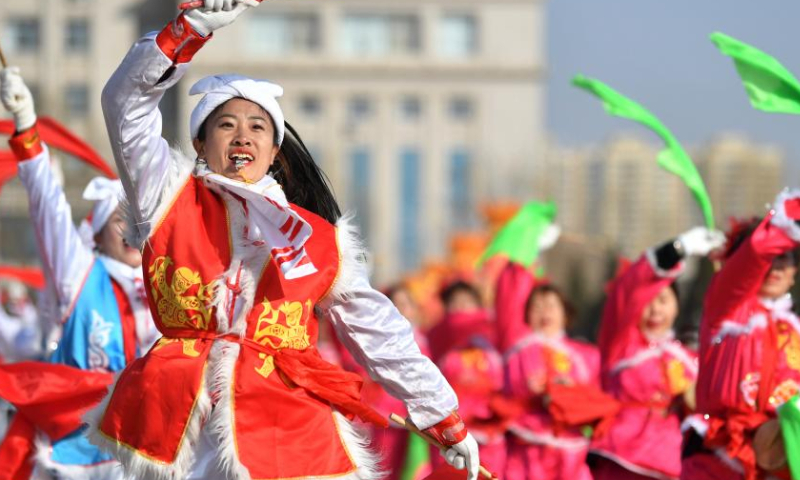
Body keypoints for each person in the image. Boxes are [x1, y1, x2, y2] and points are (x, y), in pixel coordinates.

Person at [86, 1, 480, 479]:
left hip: (285, 424)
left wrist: (443, 414)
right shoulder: (166, 195)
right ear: (199, 142)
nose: (241, 136)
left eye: (257, 127)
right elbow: (124, 106)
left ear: (274, 151)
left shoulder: (318, 240)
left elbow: (377, 330)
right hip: (178, 420)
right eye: (226, 124)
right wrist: (185, 32)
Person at [0, 65, 159, 478]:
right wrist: (27, 129)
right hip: (81, 457)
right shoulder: (80, 275)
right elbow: (48, 210)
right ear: (99, 233)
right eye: (118, 220)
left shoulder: (170, 287)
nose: (130, 230)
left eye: (137, 219)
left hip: (155, 454)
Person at [589, 227, 725, 480]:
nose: (654, 310)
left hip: (674, 459)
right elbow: (629, 289)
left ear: (676, 306)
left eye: (663, 300)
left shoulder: (689, 358)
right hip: (622, 457)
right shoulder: (621, 345)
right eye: (647, 303)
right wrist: (677, 249)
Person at [682, 190, 800, 480]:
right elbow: (754, 255)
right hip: (719, 455)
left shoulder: (795, 328)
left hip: (777, 457)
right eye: (771, 257)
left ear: (795, 271)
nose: (777, 266)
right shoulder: (726, 307)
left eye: (786, 258)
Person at [494, 227, 600, 480]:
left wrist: (567, 391)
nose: (544, 312)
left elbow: (594, 398)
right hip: (527, 448)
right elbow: (510, 293)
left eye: (551, 305)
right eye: (537, 306)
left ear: (566, 312)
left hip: (571, 451)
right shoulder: (518, 343)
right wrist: (531, 251)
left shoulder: (586, 355)